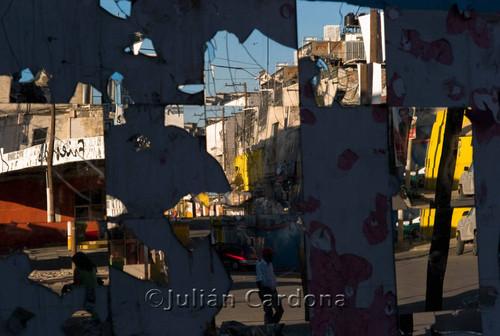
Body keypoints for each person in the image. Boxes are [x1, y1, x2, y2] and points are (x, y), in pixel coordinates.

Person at [61, 252, 101, 317]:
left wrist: (68, 286)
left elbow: (77, 285)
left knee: (67, 288)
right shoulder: (93, 267)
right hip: (96, 291)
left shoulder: (77, 270)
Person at [256, 247, 283, 324]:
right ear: (266, 256)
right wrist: (263, 292)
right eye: (271, 255)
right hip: (265, 290)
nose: (272, 257)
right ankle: (269, 327)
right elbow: (258, 280)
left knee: (280, 310)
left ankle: (271, 325)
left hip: (273, 290)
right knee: (269, 312)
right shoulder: (260, 265)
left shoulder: (270, 264)